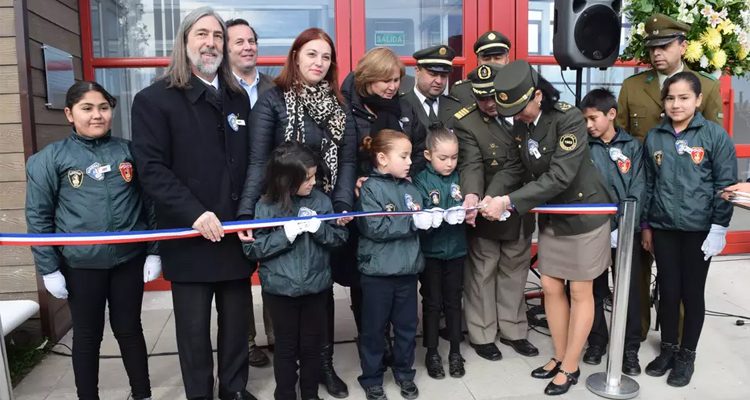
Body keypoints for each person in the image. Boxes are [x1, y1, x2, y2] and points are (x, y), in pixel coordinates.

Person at [130, 7, 256, 400]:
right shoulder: (154, 100)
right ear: (184, 42)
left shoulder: (238, 100)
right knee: (193, 331)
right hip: (189, 236)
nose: (211, 43)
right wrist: (195, 213)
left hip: (234, 234)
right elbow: (151, 170)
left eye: (218, 36)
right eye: (202, 34)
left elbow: (252, 162)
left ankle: (233, 390)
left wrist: (250, 213)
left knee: (236, 327)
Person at [481, 60, 613, 396]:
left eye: (520, 108)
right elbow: (513, 166)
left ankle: (571, 365)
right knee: (552, 287)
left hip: (584, 215)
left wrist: (508, 202)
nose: (516, 116)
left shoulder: (568, 118)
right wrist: (489, 196)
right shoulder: (521, 124)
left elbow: (559, 176)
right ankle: (558, 355)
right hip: (553, 217)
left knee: (581, 292)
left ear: (538, 95)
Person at [234, 27, 352, 398]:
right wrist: (245, 215)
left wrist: (342, 206)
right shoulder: (273, 101)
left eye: (326, 56)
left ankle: (324, 367)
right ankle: (290, 378)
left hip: (325, 205)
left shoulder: (339, 104)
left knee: (322, 290)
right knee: (290, 292)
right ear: (296, 56)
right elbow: (257, 162)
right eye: (312, 54)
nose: (319, 62)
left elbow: (347, 160)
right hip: (283, 204)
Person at [25, 81, 158, 400]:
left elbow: (151, 203)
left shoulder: (129, 152)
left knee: (129, 329)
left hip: (129, 260)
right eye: (87, 108)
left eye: (103, 107)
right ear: (70, 114)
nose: (97, 115)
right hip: (81, 265)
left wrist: (154, 251)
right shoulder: (51, 158)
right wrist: (48, 268)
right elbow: (38, 216)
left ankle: (143, 394)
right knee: (87, 335)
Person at [616, 13, 725, 340]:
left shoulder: (706, 86)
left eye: (665, 45)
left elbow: (715, 150)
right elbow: (619, 140)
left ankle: (676, 343)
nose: (657, 53)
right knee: (636, 270)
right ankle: (634, 336)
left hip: (686, 199)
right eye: (652, 47)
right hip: (640, 192)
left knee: (680, 278)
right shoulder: (632, 86)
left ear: (683, 46)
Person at [641, 72, 736, 387]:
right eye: (670, 98)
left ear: (697, 100)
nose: (676, 104)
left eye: (684, 98)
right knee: (667, 290)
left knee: (691, 294)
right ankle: (667, 349)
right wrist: (647, 225)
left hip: (700, 231)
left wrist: (719, 227)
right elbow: (649, 185)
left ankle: (687, 355)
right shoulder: (655, 137)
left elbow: (725, 186)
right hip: (665, 227)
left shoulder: (713, 136)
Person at [243, 142, 350, 400]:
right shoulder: (265, 207)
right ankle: (286, 393)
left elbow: (339, 239)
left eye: (314, 176)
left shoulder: (322, 201)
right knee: (286, 347)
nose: (313, 182)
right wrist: (285, 235)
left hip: (316, 288)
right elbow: (253, 249)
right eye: (307, 178)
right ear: (287, 180)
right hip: (280, 292)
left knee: (312, 345)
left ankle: (310, 393)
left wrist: (320, 229)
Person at [452, 64, 538, 362]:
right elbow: (471, 164)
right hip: (488, 210)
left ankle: (514, 329)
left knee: (515, 272)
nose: (488, 104)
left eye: (493, 97)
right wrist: (473, 195)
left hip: (519, 206)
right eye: (481, 99)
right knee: (483, 274)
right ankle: (482, 333)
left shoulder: (523, 114)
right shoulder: (467, 123)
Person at [356, 130, 433, 400]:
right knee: (374, 329)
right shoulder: (370, 188)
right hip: (378, 273)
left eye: (410, 155)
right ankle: (372, 377)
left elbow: (418, 218)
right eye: (403, 156)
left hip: (407, 270)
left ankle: (404, 373)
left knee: (407, 327)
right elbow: (374, 226)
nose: (410, 161)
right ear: (382, 158)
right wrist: (413, 221)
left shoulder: (412, 188)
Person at [581, 88, 645, 376]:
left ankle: (629, 347)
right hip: (593, 230)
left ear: (611, 114)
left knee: (628, 289)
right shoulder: (584, 146)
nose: (589, 125)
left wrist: (625, 223)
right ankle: (597, 340)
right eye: (585, 120)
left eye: (593, 119)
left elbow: (640, 188)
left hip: (625, 229)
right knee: (594, 288)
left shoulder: (633, 147)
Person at [225, 16, 275, 367]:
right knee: (238, 275)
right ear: (226, 49)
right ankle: (246, 341)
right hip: (233, 195)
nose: (247, 47)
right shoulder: (219, 90)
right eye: (239, 42)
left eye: (251, 40)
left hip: (274, 193)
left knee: (276, 265)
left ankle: (279, 335)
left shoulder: (275, 87)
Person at [412, 126, 467, 379]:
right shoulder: (421, 180)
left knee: (454, 302)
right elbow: (417, 210)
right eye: (443, 158)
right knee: (432, 302)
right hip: (431, 252)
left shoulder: (461, 178)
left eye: (454, 157)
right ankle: (432, 352)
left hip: (457, 250)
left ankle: (456, 351)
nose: (449, 163)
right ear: (427, 155)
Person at [443, 31, 513, 120]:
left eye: (497, 58)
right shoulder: (461, 90)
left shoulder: (519, 86)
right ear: (478, 61)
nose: (492, 62)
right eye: (486, 59)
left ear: (507, 59)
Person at [403, 45, 457, 128]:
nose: (439, 81)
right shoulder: (401, 104)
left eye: (444, 75)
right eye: (433, 74)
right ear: (417, 71)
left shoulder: (456, 107)